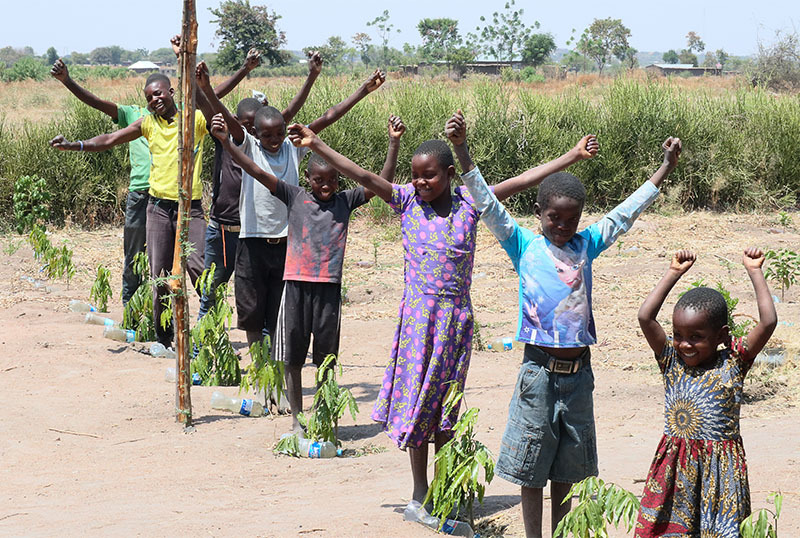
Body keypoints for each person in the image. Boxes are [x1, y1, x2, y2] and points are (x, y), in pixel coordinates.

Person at [285, 112, 599, 524]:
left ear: (450, 174)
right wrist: (315, 144)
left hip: (454, 322)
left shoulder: (471, 202)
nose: (420, 183)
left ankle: (443, 489)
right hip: (417, 320)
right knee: (418, 406)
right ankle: (419, 494)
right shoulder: (405, 201)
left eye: (429, 176)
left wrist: (571, 157)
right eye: (416, 176)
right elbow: (361, 173)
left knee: (445, 411)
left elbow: (523, 180)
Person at [453, 108, 681, 537]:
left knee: (567, 468)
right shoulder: (522, 245)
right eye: (553, 217)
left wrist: (665, 167)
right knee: (531, 468)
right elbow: (485, 201)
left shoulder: (587, 244)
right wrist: (462, 149)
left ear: (579, 218)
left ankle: (561, 533)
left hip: (579, 376)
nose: (561, 226)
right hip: (537, 374)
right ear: (538, 212)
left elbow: (624, 214)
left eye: (570, 219)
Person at [210, 113, 404, 432]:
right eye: (318, 181)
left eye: (331, 181)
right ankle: (298, 421)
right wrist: (226, 143)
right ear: (308, 180)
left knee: (325, 359)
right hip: (296, 288)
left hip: (328, 291)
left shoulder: (345, 201)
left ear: (339, 182)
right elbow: (254, 169)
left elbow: (379, 183)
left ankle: (326, 417)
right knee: (292, 357)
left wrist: (393, 144)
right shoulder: (294, 196)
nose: (325, 186)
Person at [199, 67, 387, 350]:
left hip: (288, 244)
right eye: (268, 135)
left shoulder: (293, 147)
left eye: (278, 133)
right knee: (251, 313)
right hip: (251, 242)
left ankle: (277, 367)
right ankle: (259, 365)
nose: (274, 140)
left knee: (278, 311)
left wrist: (363, 90)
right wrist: (207, 88)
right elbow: (227, 118)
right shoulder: (248, 146)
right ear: (256, 133)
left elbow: (329, 116)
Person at [49, 61, 226, 347]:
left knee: (200, 270)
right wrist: (76, 145)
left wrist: (191, 69)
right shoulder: (146, 123)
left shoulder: (194, 119)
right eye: (149, 98)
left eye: (158, 94)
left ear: (171, 92)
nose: (154, 100)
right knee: (159, 276)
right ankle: (165, 339)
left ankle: (211, 333)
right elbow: (110, 139)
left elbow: (215, 107)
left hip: (189, 209)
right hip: (157, 208)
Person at [634, 248, 776, 536]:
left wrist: (754, 271)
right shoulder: (670, 361)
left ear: (722, 336)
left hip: (721, 473)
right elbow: (645, 318)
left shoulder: (735, 361)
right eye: (678, 335)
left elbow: (768, 322)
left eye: (696, 338)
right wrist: (673, 273)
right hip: (675, 468)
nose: (685, 344)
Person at [198, 51, 323, 321]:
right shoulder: (238, 142)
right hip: (226, 227)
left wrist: (312, 76)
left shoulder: (276, 145)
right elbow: (219, 113)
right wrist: (207, 88)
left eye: (258, 129)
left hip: (261, 234)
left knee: (267, 300)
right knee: (212, 292)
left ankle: (266, 353)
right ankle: (202, 350)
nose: (252, 134)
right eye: (246, 128)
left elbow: (293, 113)